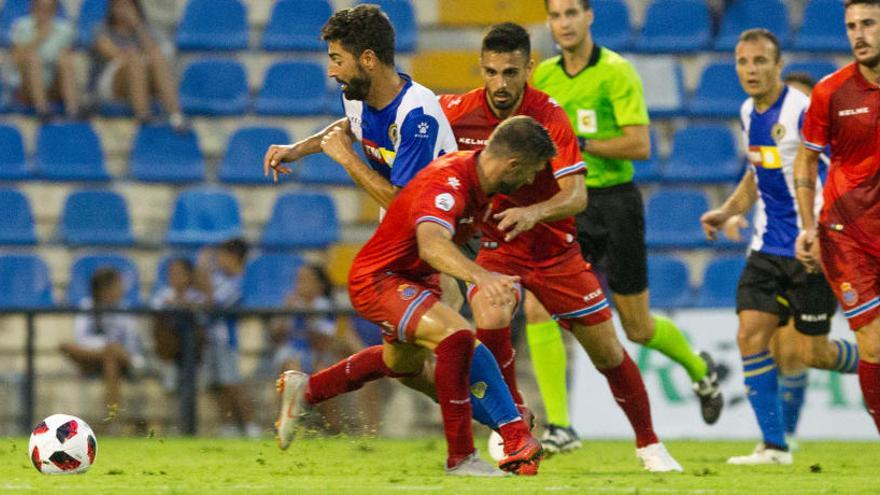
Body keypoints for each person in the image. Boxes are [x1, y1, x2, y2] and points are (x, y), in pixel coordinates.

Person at [265, 4, 536, 448]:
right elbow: (348, 128)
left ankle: (509, 428)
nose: (331, 70)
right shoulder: (357, 91)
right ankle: (308, 390)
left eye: (337, 58)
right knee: (406, 361)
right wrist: (301, 148)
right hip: (403, 248)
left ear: (367, 59)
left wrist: (346, 161)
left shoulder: (418, 115)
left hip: (445, 238)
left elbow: (405, 206)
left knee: (449, 344)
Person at [437, 22, 681, 472]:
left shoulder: (549, 116)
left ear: (529, 67)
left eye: (511, 72)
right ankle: (512, 428)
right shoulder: (456, 111)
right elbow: (391, 122)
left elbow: (577, 196)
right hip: (498, 246)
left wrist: (532, 212)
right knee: (490, 313)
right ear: (481, 69)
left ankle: (649, 444)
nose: (500, 84)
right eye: (491, 72)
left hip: (555, 250)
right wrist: (309, 145)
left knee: (608, 351)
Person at [277, 117, 551, 477]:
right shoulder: (451, 180)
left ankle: (308, 389)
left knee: (404, 366)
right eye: (531, 172)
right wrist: (482, 278)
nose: (530, 180)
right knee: (457, 335)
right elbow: (431, 242)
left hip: (416, 281)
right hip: (381, 278)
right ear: (514, 164)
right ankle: (474, 451)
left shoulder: (484, 186)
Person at [524, 0, 723, 453]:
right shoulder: (545, 76)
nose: (564, 23)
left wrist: (580, 141)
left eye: (572, 13)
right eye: (556, 15)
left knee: (637, 327)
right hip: (566, 203)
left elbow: (639, 144)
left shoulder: (617, 71)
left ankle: (700, 370)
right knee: (536, 306)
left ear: (589, 16)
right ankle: (561, 426)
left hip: (614, 204)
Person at [700, 29, 861, 465]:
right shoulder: (747, 111)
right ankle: (774, 446)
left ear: (777, 65)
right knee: (750, 336)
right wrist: (726, 210)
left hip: (811, 250)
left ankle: (873, 359)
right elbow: (758, 173)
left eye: (759, 62)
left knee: (814, 353)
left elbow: (835, 170)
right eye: (742, 62)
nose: (750, 70)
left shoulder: (804, 110)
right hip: (766, 248)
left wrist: (821, 231)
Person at [794, 0, 880, 435]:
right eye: (851, 26)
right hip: (846, 236)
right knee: (874, 344)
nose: (858, 35)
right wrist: (807, 223)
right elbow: (805, 161)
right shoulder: (831, 91)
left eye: (868, 24)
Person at [194, 238, 260, 438]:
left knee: (233, 384)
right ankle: (228, 425)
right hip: (211, 339)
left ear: (234, 258)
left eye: (223, 256)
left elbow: (215, 301)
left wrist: (203, 271)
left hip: (228, 341)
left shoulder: (239, 283)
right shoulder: (219, 279)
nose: (219, 260)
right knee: (219, 384)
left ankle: (250, 425)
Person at [60, 268, 145, 422]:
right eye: (117, 285)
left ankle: (111, 421)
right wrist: (105, 346)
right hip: (93, 357)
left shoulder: (124, 309)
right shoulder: (87, 306)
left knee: (111, 359)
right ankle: (111, 419)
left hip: (122, 360)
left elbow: (132, 343)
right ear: (103, 289)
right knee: (65, 347)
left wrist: (114, 350)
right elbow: (81, 339)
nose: (121, 289)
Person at [90, 0, 185, 128]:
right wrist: (135, 56)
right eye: (118, 6)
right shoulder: (101, 30)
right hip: (112, 82)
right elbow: (112, 54)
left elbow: (156, 52)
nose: (122, 10)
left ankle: (176, 116)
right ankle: (143, 115)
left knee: (156, 56)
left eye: (127, 6)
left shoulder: (145, 29)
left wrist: (137, 25)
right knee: (135, 59)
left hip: (143, 74)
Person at [6, 0, 79, 119]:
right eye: (40, 8)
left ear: (55, 11)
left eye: (49, 9)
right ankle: (42, 110)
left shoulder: (64, 29)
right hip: (26, 85)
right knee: (32, 58)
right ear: (32, 8)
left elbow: (67, 58)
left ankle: (73, 110)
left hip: (54, 84)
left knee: (65, 60)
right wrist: (40, 37)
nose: (44, 13)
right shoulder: (21, 26)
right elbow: (16, 59)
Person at [150, 257, 206, 392]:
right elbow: (155, 310)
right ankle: (169, 366)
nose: (175, 277)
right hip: (171, 342)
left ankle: (195, 370)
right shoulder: (163, 295)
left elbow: (203, 316)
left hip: (193, 342)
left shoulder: (198, 296)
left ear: (189, 275)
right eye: (172, 273)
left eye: (179, 273)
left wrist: (185, 304)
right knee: (161, 321)